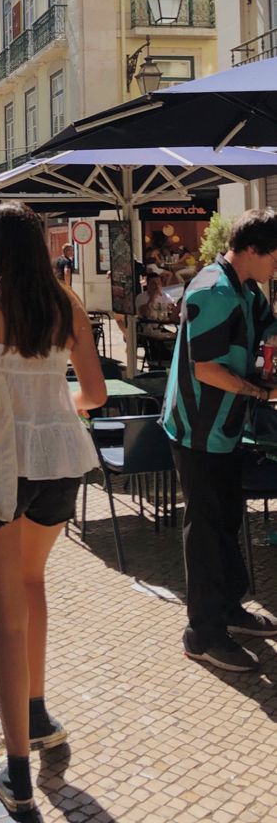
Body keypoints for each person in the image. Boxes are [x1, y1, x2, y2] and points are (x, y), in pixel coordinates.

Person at [0, 201, 106, 814]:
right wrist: (56, 409)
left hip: (1, 465)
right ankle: (35, 712)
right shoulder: (66, 303)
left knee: (4, 612)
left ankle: (17, 769)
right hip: (60, 460)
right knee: (33, 584)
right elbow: (95, 392)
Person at [162, 208, 277, 673]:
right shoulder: (213, 289)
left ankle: (228, 608)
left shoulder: (248, 289)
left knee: (227, 518)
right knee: (206, 529)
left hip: (227, 429)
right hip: (197, 430)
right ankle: (202, 632)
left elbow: (268, 326)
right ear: (253, 250)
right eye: (276, 256)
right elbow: (205, 368)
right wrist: (264, 391)